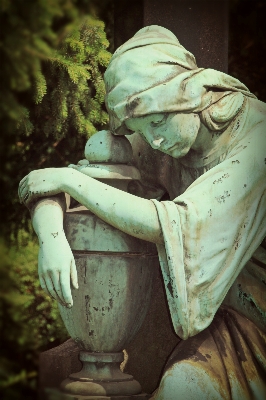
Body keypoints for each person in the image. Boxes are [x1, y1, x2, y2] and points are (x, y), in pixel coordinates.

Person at [18, 26, 266, 399]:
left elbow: (174, 222)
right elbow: (47, 185)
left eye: (155, 122)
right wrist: (52, 237)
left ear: (188, 95)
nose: (154, 141)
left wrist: (71, 183)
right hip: (237, 326)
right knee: (182, 389)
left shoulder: (257, 142)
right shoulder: (169, 137)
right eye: (141, 129)